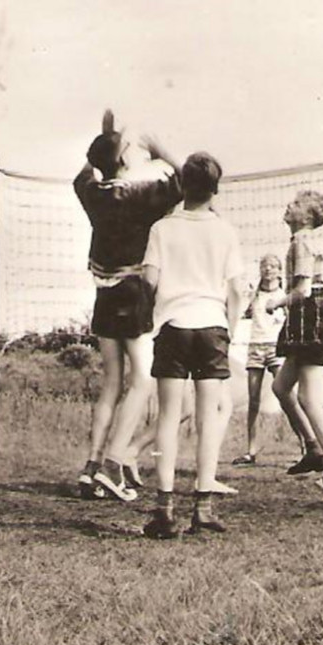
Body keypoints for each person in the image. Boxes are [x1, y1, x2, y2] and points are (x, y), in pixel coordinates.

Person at [72, 111, 182, 501]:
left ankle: (91, 467)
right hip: (133, 291)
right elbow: (187, 182)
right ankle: (115, 462)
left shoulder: (93, 193)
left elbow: (83, 174)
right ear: (122, 159)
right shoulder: (140, 195)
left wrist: (105, 139)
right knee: (143, 381)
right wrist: (156, 146)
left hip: (103, 292)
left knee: (111, 385)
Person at [138, 152, 247, 538]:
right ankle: (203, 506)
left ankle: (164, 510)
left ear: (182, 186)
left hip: (173, 326)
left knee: (168, 417)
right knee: (208, 419)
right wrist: (229, 327)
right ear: (215, 190)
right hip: (212, 325)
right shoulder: (225, 231)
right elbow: (238, 289)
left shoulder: (162, 229)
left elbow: (149, 280)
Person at [272, 189, 323, 489]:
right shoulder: (298, 241)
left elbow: (302, 289)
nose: (287, 206)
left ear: (305, 216)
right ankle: (313, 447)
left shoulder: (302, 242)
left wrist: (274, 303)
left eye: (293, 204)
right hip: (304, 320)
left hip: (311, 319)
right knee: (280, 387)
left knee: (308, 398)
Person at [233, 253, 289, 467]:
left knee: (286, 397)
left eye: (273, 266)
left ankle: (306, 445)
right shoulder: (253, 295)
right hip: (255, 348)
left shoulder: (284, 295)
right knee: (253, 399)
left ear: (279, 270)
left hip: (276, 348)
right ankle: (251, 450)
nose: (268, 270)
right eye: (265, 266)